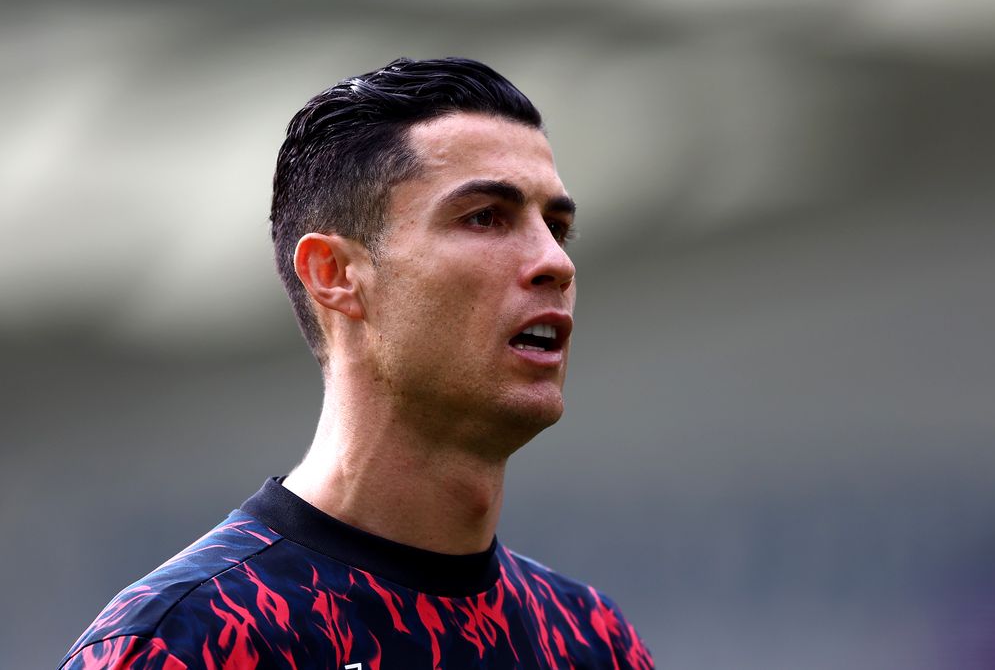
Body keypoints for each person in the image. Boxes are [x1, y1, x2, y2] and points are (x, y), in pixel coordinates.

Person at [60, 57, 654, 670]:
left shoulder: (592, 640)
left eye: (557, 226)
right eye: (485, 217)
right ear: (335, 274)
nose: (555, 262)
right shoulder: (190, 640)